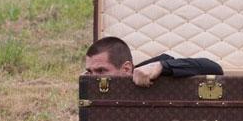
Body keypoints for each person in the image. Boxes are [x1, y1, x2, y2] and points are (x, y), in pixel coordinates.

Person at [84, 36, 223, 87]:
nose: (93, 78)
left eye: (101, 71)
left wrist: (162, 66)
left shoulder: (150, 71)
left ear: (126, 69)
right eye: (90, 72)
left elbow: (215, 69)